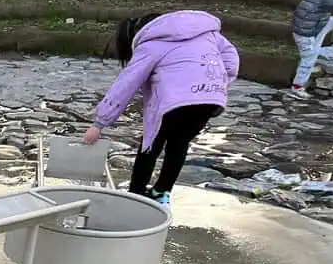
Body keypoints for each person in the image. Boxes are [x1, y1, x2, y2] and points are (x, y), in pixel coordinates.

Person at [83, 11, 239, 207]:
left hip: (172, 101)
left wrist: (99, 123)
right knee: (179, 143)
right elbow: (232, 60)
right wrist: (217, 83)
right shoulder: (208, 33)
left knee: (150, 145)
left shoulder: (152, 43)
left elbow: (126, 83)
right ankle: (161, 193)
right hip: (210, 98)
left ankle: (135, 195)